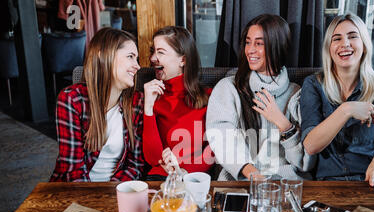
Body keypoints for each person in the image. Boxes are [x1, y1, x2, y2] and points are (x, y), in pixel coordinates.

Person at [206, 14, 314, 181]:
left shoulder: (297, 94)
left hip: (286, 183)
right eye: (248, 42)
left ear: (277, 46)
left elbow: (304, 163)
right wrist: (253, 175)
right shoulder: (228, 88)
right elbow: (221, 138)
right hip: (243, 180)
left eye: (259, 43)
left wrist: (283, 124)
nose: (250, 50)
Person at [300, 13, 374, 189]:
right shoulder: (313, 85)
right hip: (327, 185)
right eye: (336, 39)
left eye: (353, 36)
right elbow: (310, 145)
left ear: (364, 44)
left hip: (370, 182)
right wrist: (346, 110)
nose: (345, 44)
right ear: (329, 48)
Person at [50, 27, 144, 182]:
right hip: (75, 193)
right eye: (130, 56)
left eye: (136, 58)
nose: (137, 66)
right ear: (104, 57)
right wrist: (94, 203)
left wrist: (113, 194)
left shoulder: (136, 102)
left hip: (117, 191)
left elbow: (135, 166)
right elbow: (73, 172)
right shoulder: (72, 100)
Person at [142, 26, 214, 180]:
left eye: (161, 52)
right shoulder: (150, 96)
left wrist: (185, 172)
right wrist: (148, 108)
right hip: (161, 178)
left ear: (183, 59)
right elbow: (153, 159)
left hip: (194, 177)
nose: (153, 58)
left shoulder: (209, 97)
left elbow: (213, 150)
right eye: (153, 51)